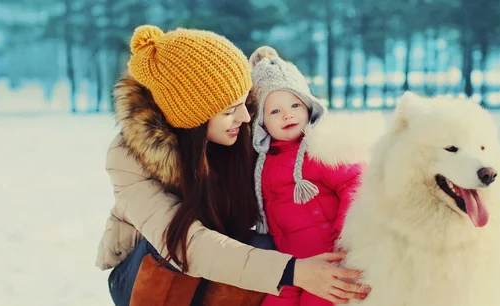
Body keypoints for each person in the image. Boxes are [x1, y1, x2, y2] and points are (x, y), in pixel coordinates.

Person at [95, 25, 371, 306]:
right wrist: (294, 271)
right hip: (148, 272)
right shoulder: (127, 156)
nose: (245, 117)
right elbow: (184, 246)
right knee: (169, 255)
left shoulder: (243, 134)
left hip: (216, 261)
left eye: (245, 104)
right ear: (195, 118)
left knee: (263, 247)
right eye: (229, 110)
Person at [247, 46, 366, 306]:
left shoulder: (319, 148)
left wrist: (344, 235)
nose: (287, 114)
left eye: (294, 105)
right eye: (274, 111)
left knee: (321, 299)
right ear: (260, 121)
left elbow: (354, 182)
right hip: (289, 263)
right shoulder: (261, 163)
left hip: (329, 258)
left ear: (309, 106)